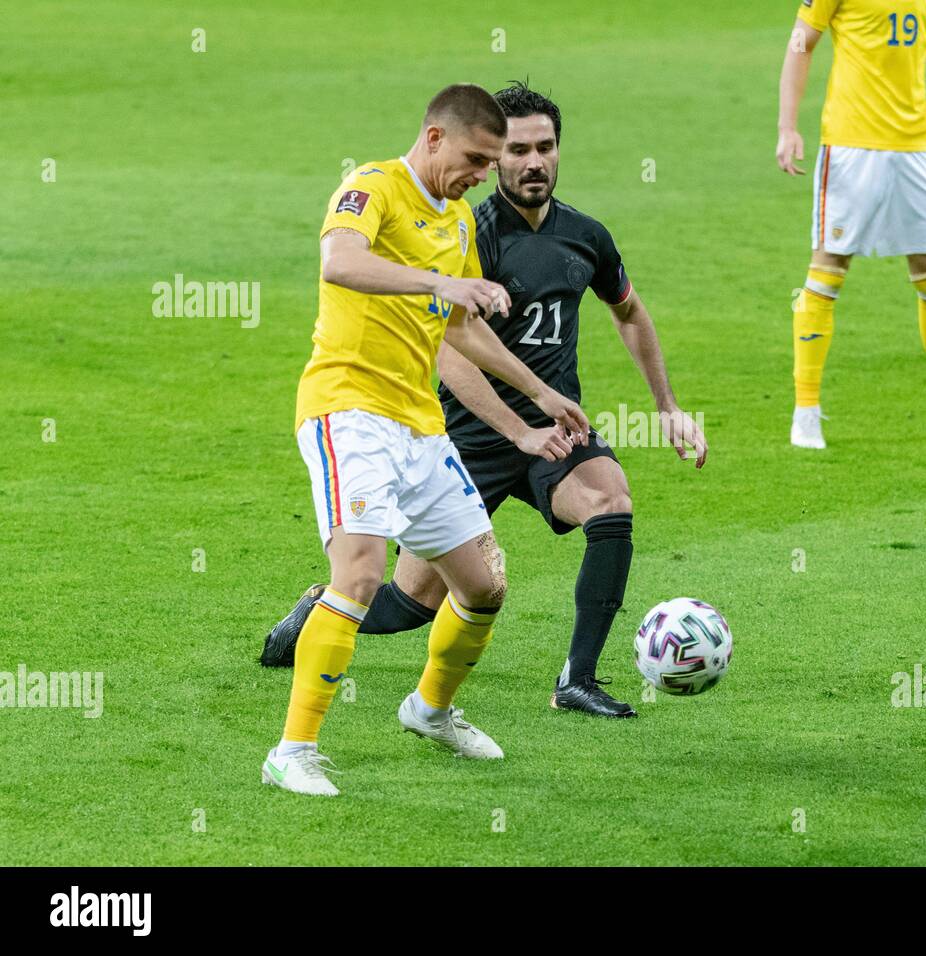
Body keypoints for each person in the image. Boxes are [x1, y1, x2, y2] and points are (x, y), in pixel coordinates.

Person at [261, 82, 708, 721]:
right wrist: (512, 420)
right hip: (465, 434)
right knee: (407, 606)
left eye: (545, 148)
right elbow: (446, 346)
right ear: (489, 155)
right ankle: (317, 616)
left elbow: (629, 311)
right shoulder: (455, 224)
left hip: (551, 428)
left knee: (610, 499)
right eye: (513, 151)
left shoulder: (582, 236)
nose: (532, 162)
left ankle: (576, 680)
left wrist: (662, 406)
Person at [262, 84, 588, 797]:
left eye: (492, 161)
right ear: (435, 138)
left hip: (419, 423)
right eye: (477, 157)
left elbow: (463, 327)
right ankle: (292, 750)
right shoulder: (370, 187)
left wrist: (539, 402)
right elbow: (340, 264)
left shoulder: (460, 219)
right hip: (348, 411)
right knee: (358, 575)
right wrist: (438, 281)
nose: (483, 173)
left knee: (482, 585)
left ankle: (431, 710)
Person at [778, 0, 926, 449]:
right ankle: (805, 412)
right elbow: (800, 43)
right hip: (850, 145)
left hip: (916, 147)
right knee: (828, 268)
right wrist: (788, 127)